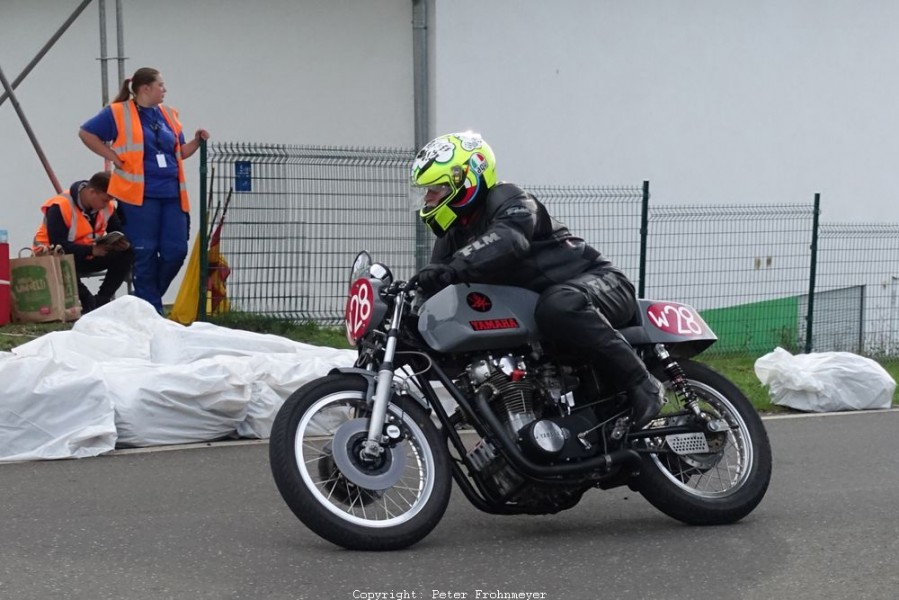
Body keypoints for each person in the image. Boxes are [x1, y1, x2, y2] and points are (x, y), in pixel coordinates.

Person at [410, 131, 664, 429]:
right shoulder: (452, 237)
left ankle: (644, 383)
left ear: (465, 181)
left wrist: (452, 270)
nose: (428, 198)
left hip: (600, 281)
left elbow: (509, 239)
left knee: (559, 305)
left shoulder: (507, 198)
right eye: (426, 191)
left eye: (435, 189)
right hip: (547, 316)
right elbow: (434, 282)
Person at [78, 67, 210, 315]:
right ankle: (153, 311)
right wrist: (112, 157)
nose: (165, 90)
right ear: (145, 88)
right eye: (160, 85)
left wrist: (195, 141)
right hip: (137, 196)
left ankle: (143, 301)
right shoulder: (119, 112)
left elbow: (179, 152)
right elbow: (86, 133)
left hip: (172, 195)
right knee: (144, 252)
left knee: (175, 251)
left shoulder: (169, 114)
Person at [32, 171, 133, 313]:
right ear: (92, 192)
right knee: (60, 260)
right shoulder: (60, 206)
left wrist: (122, 242)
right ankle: (87, 300)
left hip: (89, 254)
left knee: (126, 253)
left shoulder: (107, 206)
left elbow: (117, 230)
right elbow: (58, 244)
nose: (107, 204)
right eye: (105, 200)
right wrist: (91, 250)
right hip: (53, 258)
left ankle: (102, 300)